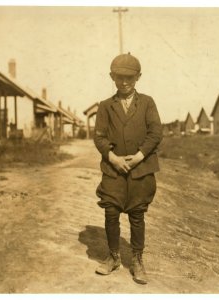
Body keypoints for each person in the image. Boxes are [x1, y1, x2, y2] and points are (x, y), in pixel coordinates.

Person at [93, 53, 163, 284]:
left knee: (136, 214)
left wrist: (139, 157)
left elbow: (155, 133)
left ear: (138, 77)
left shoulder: (148, 103)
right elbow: (99, 136)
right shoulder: (105, 106)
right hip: (114, 169)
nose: (124, 82)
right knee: (111, 212)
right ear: (111, 77)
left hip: (140, 169)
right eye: (119, 77)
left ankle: (137, 260)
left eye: (130, 78)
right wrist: (113, 158)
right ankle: (113, 257)